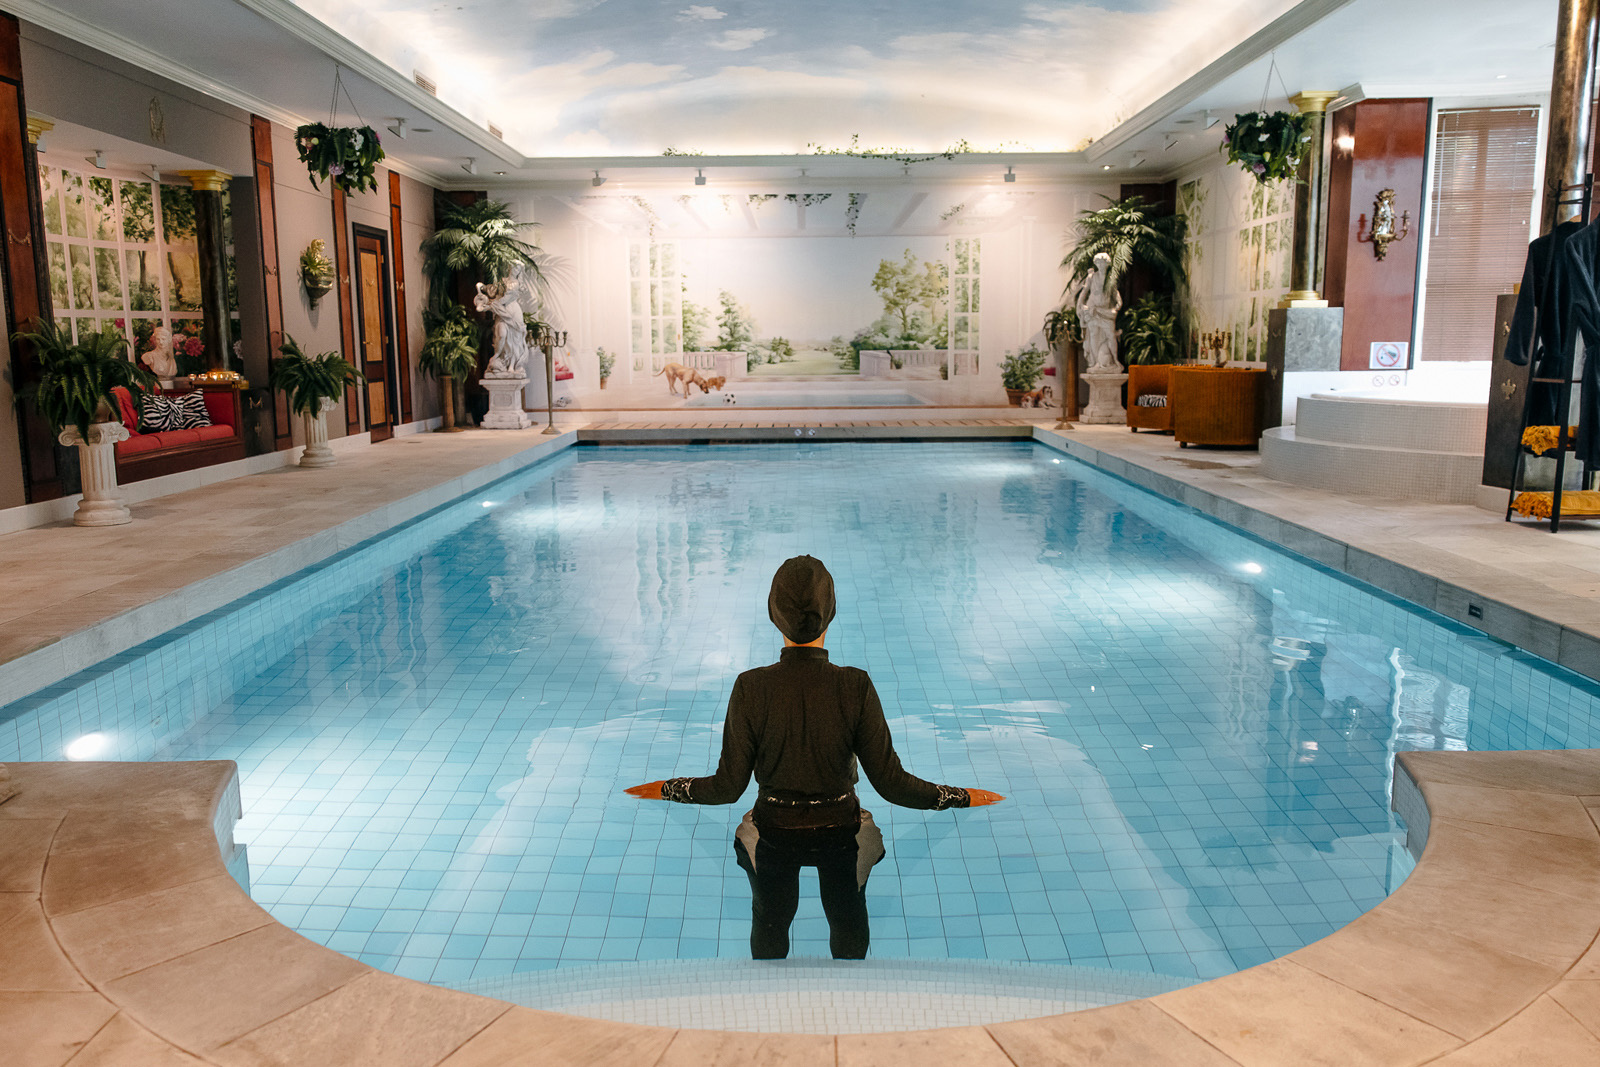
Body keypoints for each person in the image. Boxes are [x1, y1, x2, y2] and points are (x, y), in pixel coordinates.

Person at [625, 555, 1003, 959]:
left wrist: (669, 789)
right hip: (840, 833)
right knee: (848, 918)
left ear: (774, 614)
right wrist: (959, 796)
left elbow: (727, 788)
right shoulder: (854, 686)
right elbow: (893, 785)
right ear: (831, 612)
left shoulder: (751, 687)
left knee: (770, 921)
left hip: (773, 832)